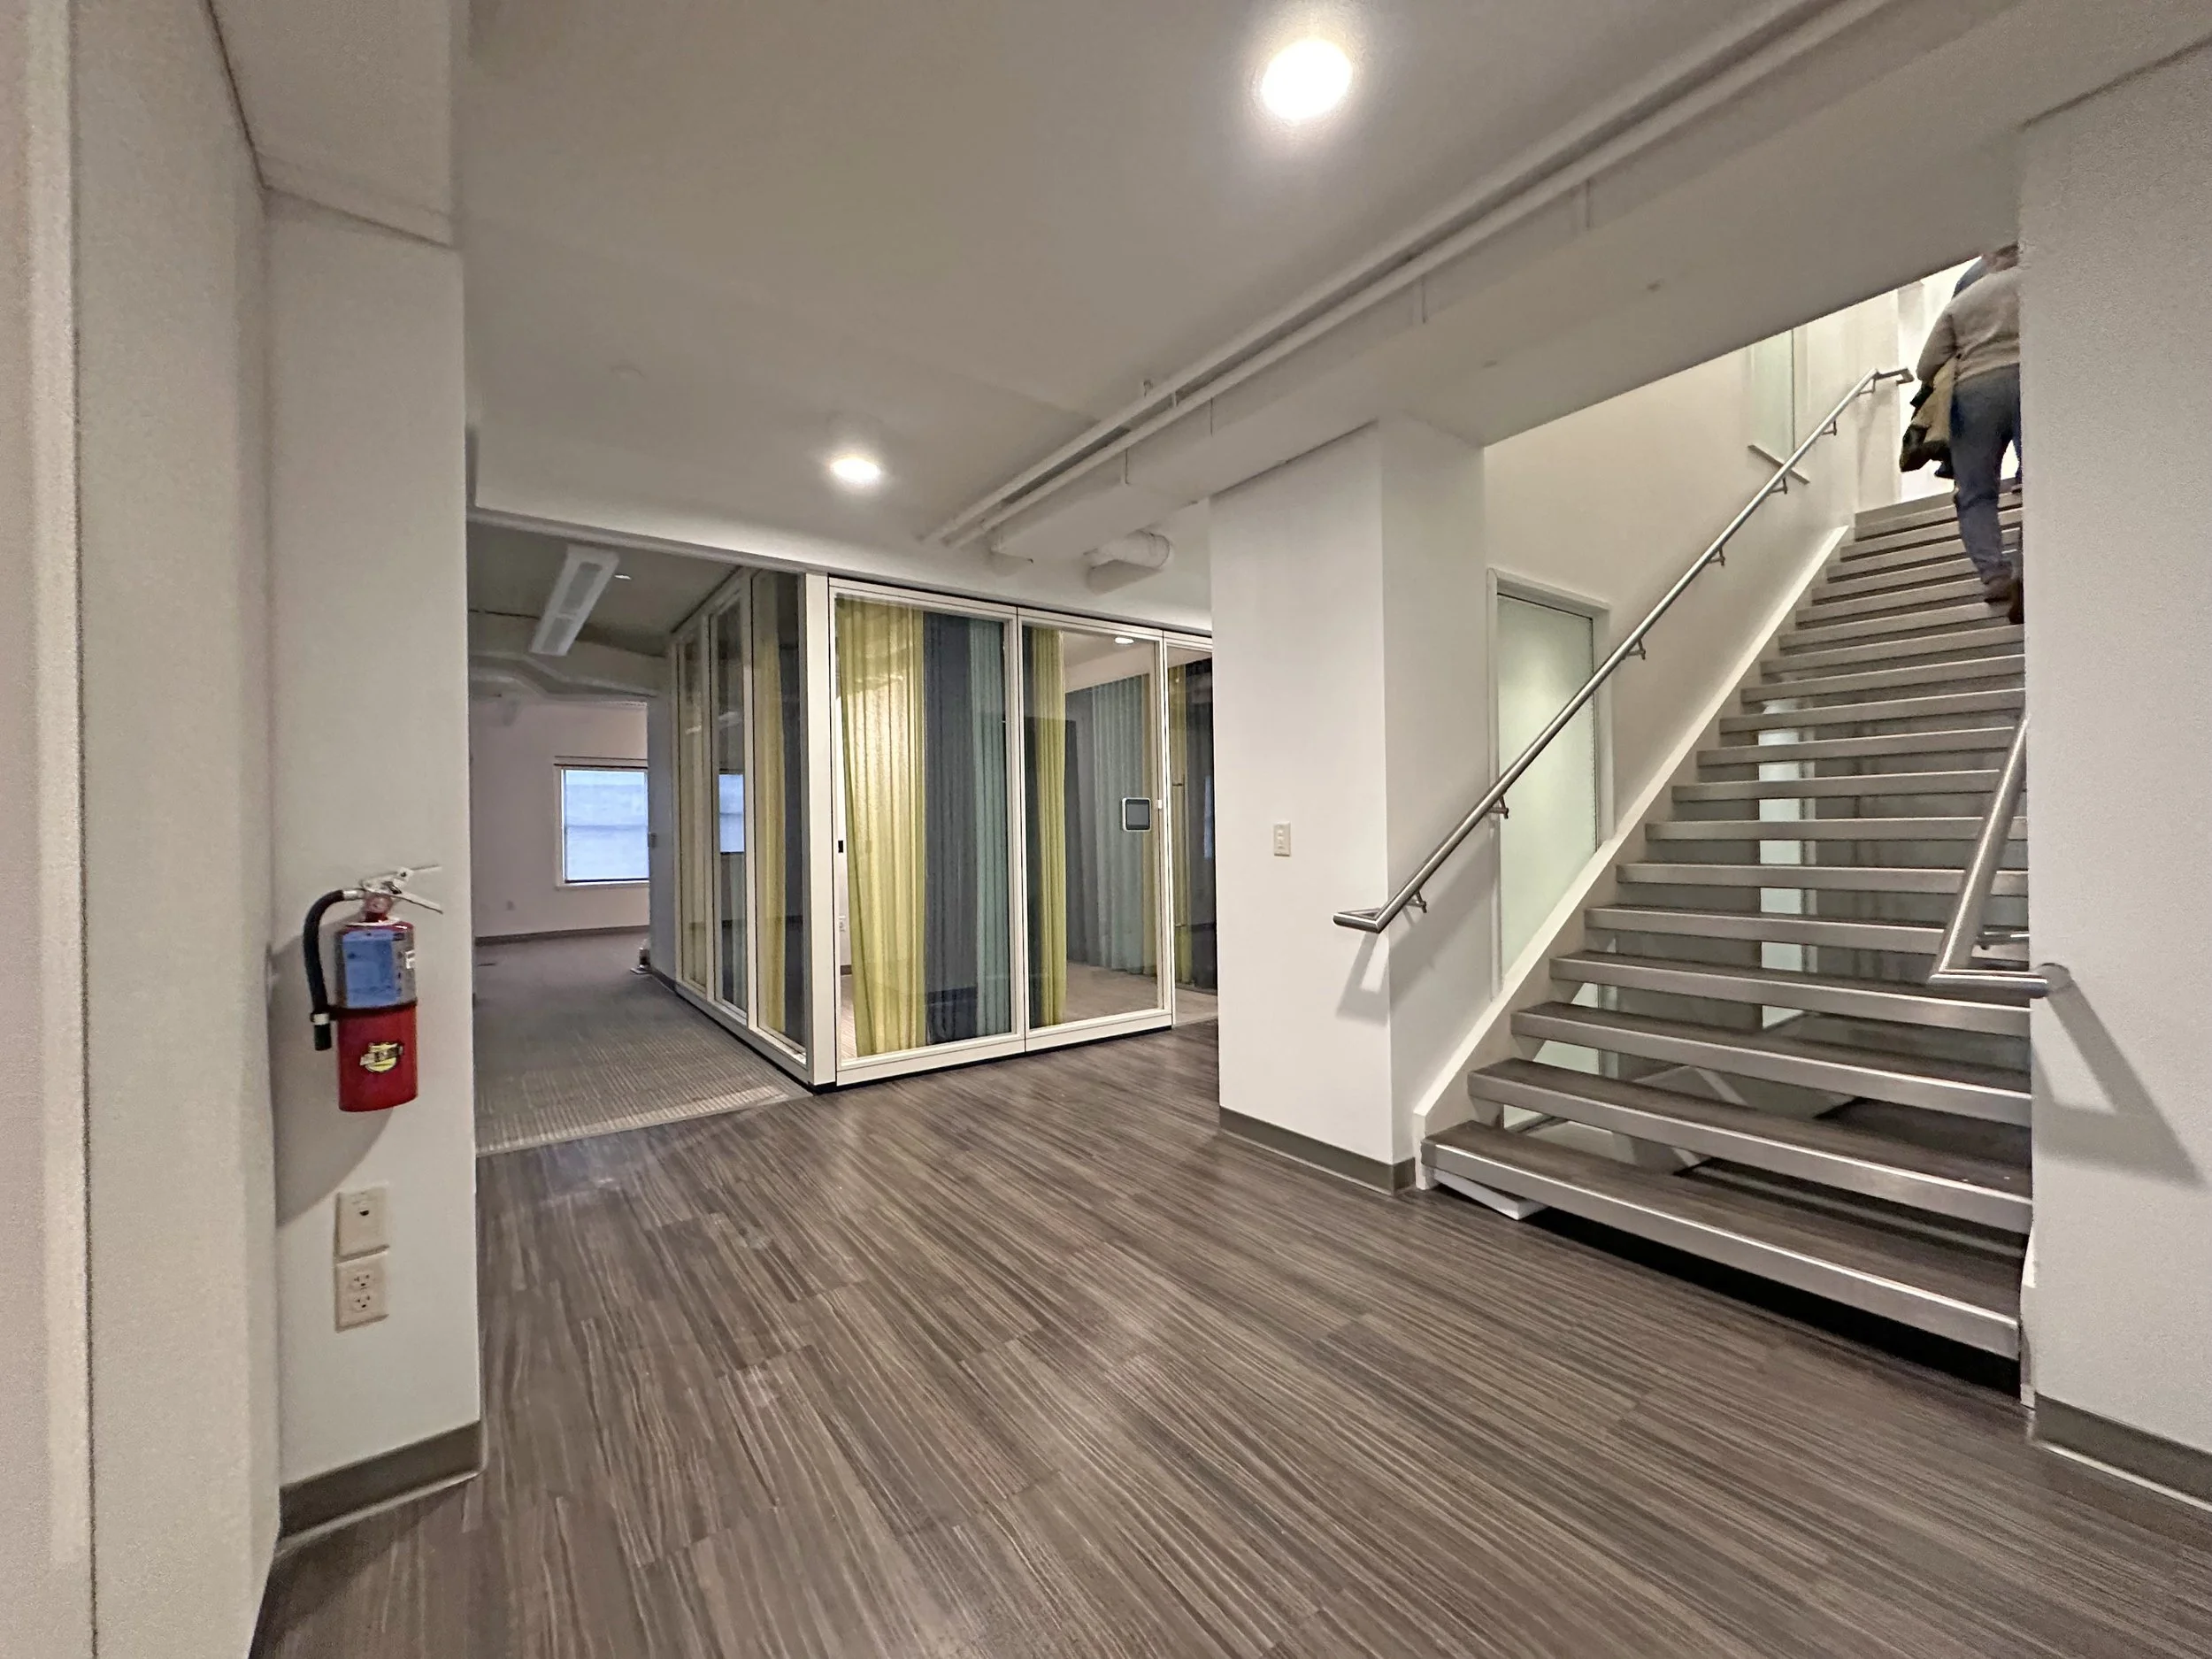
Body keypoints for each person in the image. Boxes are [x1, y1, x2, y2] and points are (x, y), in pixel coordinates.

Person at [1916, 244, 2022, 619]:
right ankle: (2033, 565)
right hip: (2033, 379)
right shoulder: (2041, 280)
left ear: (1988, 258)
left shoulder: (1965, 298)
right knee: (2042, 484)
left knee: (1975, 491)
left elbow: (1926, 366)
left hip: (1974, 392)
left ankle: (1995, 576)